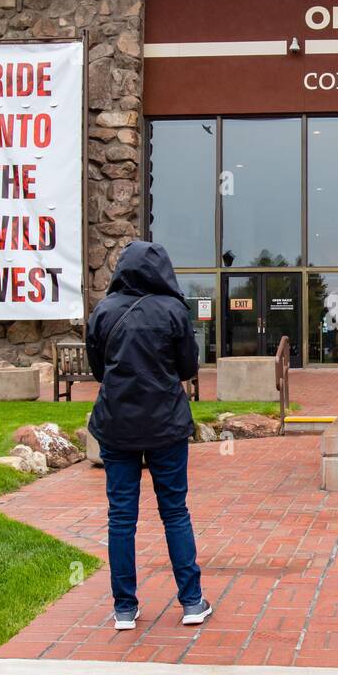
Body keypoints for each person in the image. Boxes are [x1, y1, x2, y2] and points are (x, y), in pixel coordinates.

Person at [86, 240, 212, 631]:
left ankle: (124, 607)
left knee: (121, 517)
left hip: (117, 424)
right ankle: (191, 602)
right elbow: (188, 367)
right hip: (165, 425)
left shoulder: (104, 311)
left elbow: (97, 370)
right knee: (174, 511)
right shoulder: (174, 311)